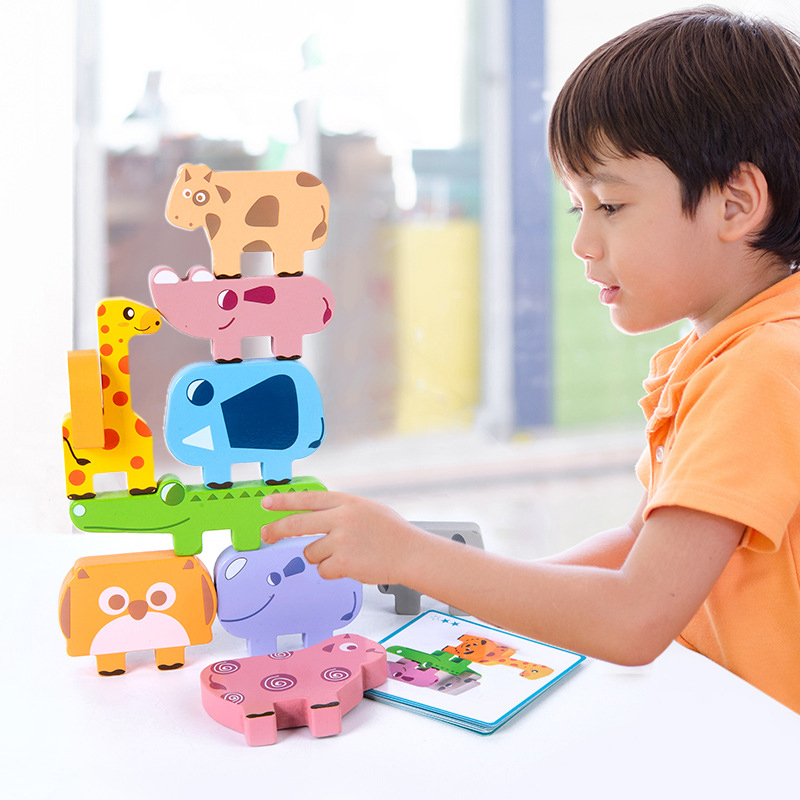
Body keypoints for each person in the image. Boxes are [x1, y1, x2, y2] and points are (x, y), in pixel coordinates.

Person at [261, 6, 800, 714]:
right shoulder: (728, 348)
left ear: (735, 204)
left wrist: (411, 554)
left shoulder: (762, 366)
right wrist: (476, 593)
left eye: (610, 205)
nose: (582, 243)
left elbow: (635, 617)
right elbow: (639, 544)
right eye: (578, 208)